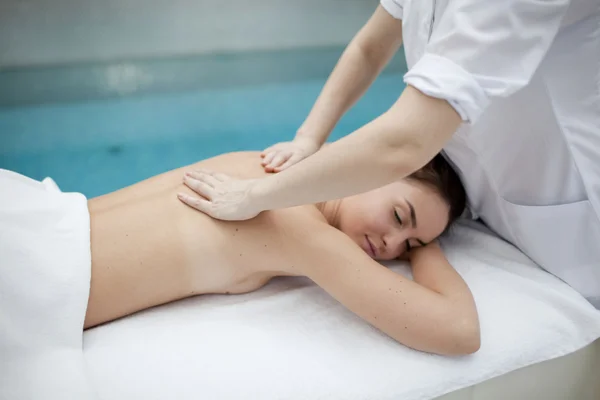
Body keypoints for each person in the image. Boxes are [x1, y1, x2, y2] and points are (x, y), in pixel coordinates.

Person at [178, 1, 600, 307]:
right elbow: (369, 49)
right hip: (488, 189)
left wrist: (255, 197)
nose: (394, 245)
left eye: (409, 237)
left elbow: (404, 142)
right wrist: (308, 137)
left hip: (575, 217)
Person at [85, 150, 480, 355]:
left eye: (408, 245)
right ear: (372, 170)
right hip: (50, 275)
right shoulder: (302, 232)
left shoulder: (261, 162)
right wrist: (429, 250)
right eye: (398, 216)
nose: (393, 245)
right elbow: (460, 332)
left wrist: (422, 237)